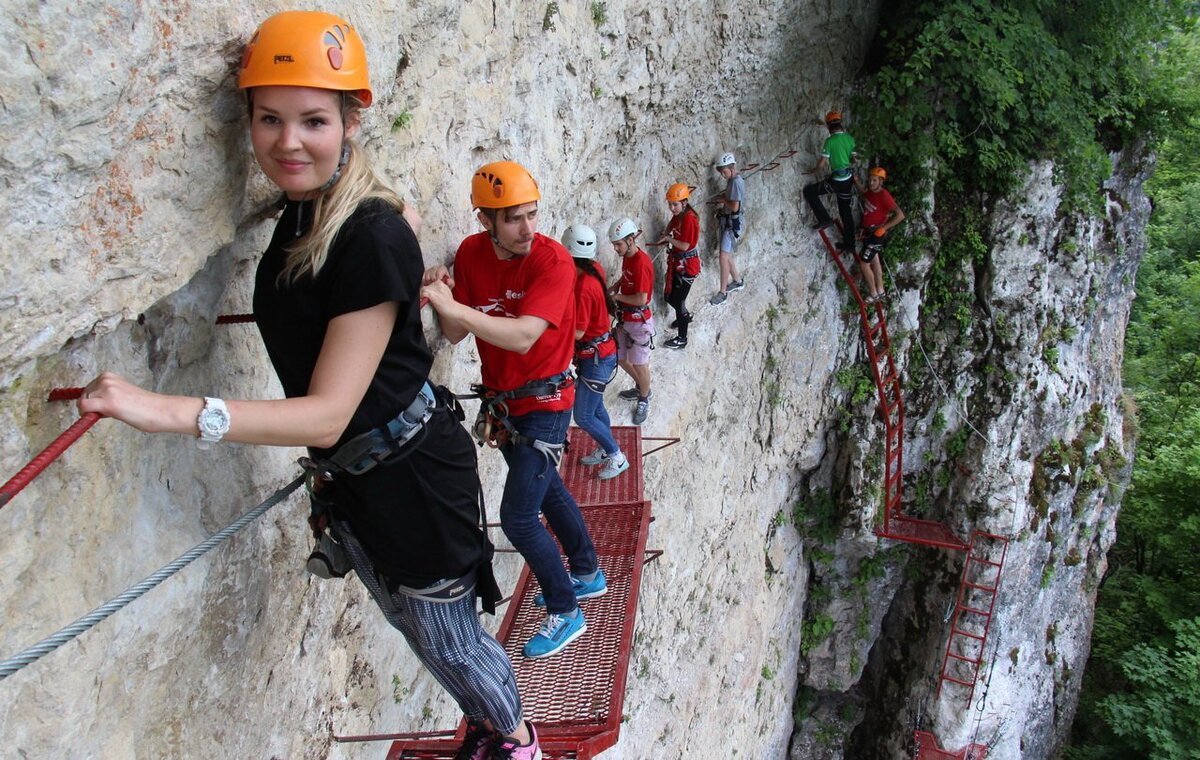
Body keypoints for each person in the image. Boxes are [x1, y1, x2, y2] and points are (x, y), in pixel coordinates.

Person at [77, 12, 539, 760]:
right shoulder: (321, 208)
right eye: (269, 119)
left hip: (412, 481)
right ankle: (498, 728)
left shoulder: (368, 232)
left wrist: (164, 410)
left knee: (445, 636)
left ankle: (518, 741)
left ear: (352, 119)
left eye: (313, 120)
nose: (288, 142)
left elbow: (326, 415)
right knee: (413, 621)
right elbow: (382, 235)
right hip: (372, 472)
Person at [420, 161, 606, 667]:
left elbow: (524, 333)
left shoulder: (554, 263)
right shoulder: (471, 255)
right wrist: (446, 291)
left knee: (519, 518)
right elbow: (458, 334)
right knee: (549, 491)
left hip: (546, 404)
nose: (528, 229)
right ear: (486, 220)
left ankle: (567, 611)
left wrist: (455, 308)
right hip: (505, 405)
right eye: (513, 219)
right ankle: (587, 574)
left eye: (532, 215)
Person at [560, 224, 629, 479]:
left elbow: (577, 333)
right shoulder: (594, 270)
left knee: (584, 415)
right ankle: (605, 448)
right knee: (596, 407)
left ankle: (616, 456)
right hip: (601, 352)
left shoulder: (582, 287)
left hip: (596, 357)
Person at [608, 217, 654, 424]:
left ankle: (644, 397)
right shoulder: (628, 257)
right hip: (626, 318)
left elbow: (641, 298)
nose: (616, 249)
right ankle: (640, 386)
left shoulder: (642, 264)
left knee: (640, 363)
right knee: (620, 357)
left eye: (618, 244)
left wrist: (616, 297)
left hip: (638, 320)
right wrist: (617, 285)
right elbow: (626, 276)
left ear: (630, 240)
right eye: (614, 245)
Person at [654, 183, 701, 349]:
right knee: (671, 297)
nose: (672, 208)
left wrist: (668, 239)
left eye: (675, 204)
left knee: (678, 301)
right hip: (680, 263)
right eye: (670, 204)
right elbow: (672, 224)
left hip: (688, 266)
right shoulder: (680, 214)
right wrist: (666, 234)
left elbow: (685, 245)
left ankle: (682, 338)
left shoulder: (689, 219)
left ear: (685, 202)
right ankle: (684, 317)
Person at [803, 111, 857, 251]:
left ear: (829, 126)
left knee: (809, 191)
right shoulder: (849, 138)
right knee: (846, 211)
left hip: (838, 181)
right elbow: (854, 159)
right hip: (848, 179)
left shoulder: (830, 141)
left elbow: (822, 164)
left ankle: (824, 218)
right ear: (840, 123)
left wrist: (812, 170)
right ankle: (849, 244)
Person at [854, 166, 906, 303]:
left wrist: (884, 228)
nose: (871, 183)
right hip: (869, 232)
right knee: (875, 261)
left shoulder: (884, 195)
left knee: (864, 264)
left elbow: (900, 215)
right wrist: (856, 181)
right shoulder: (870, 193)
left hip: (876, 234)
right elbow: (863, 193)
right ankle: (881, 290)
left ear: (881, 181)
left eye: (875, 180)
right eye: (870, 180)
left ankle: (873, 293)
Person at [709, 153, 746, 305]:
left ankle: (722, 293)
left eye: (724, 172)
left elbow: (735, 207)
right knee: (727, 255)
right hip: (731, 221)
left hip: (733, 223)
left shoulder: (735, 182)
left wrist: (723, 200)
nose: (723, 175)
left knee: (723, 257)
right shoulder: (733, 180)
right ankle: (737, 281)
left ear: (732, 167)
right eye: (721, 172)